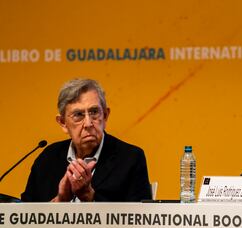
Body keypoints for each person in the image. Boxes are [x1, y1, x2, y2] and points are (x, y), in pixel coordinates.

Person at [21, 78, 152, 202]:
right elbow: (25, 215)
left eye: (94, 112)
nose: (88, 123)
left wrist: (90, 197)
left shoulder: (130, 158)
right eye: (78, 115)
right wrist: (60, 202)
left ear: (105, 116)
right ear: (63, 123)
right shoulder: (48, 159)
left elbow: (139, 219)